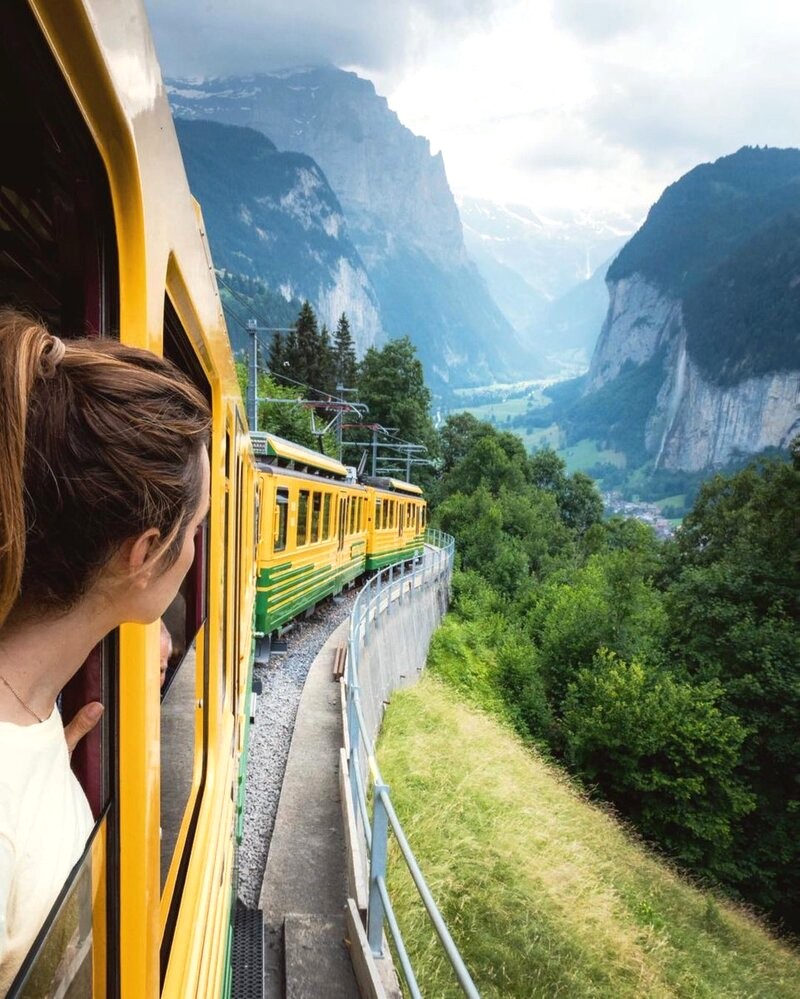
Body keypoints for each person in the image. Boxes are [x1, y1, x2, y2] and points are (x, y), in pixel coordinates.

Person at [0, 309, 211, 994]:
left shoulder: (28, 742)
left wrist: (41, 771)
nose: (198, 554)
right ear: (145, 554)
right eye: (197, 530)